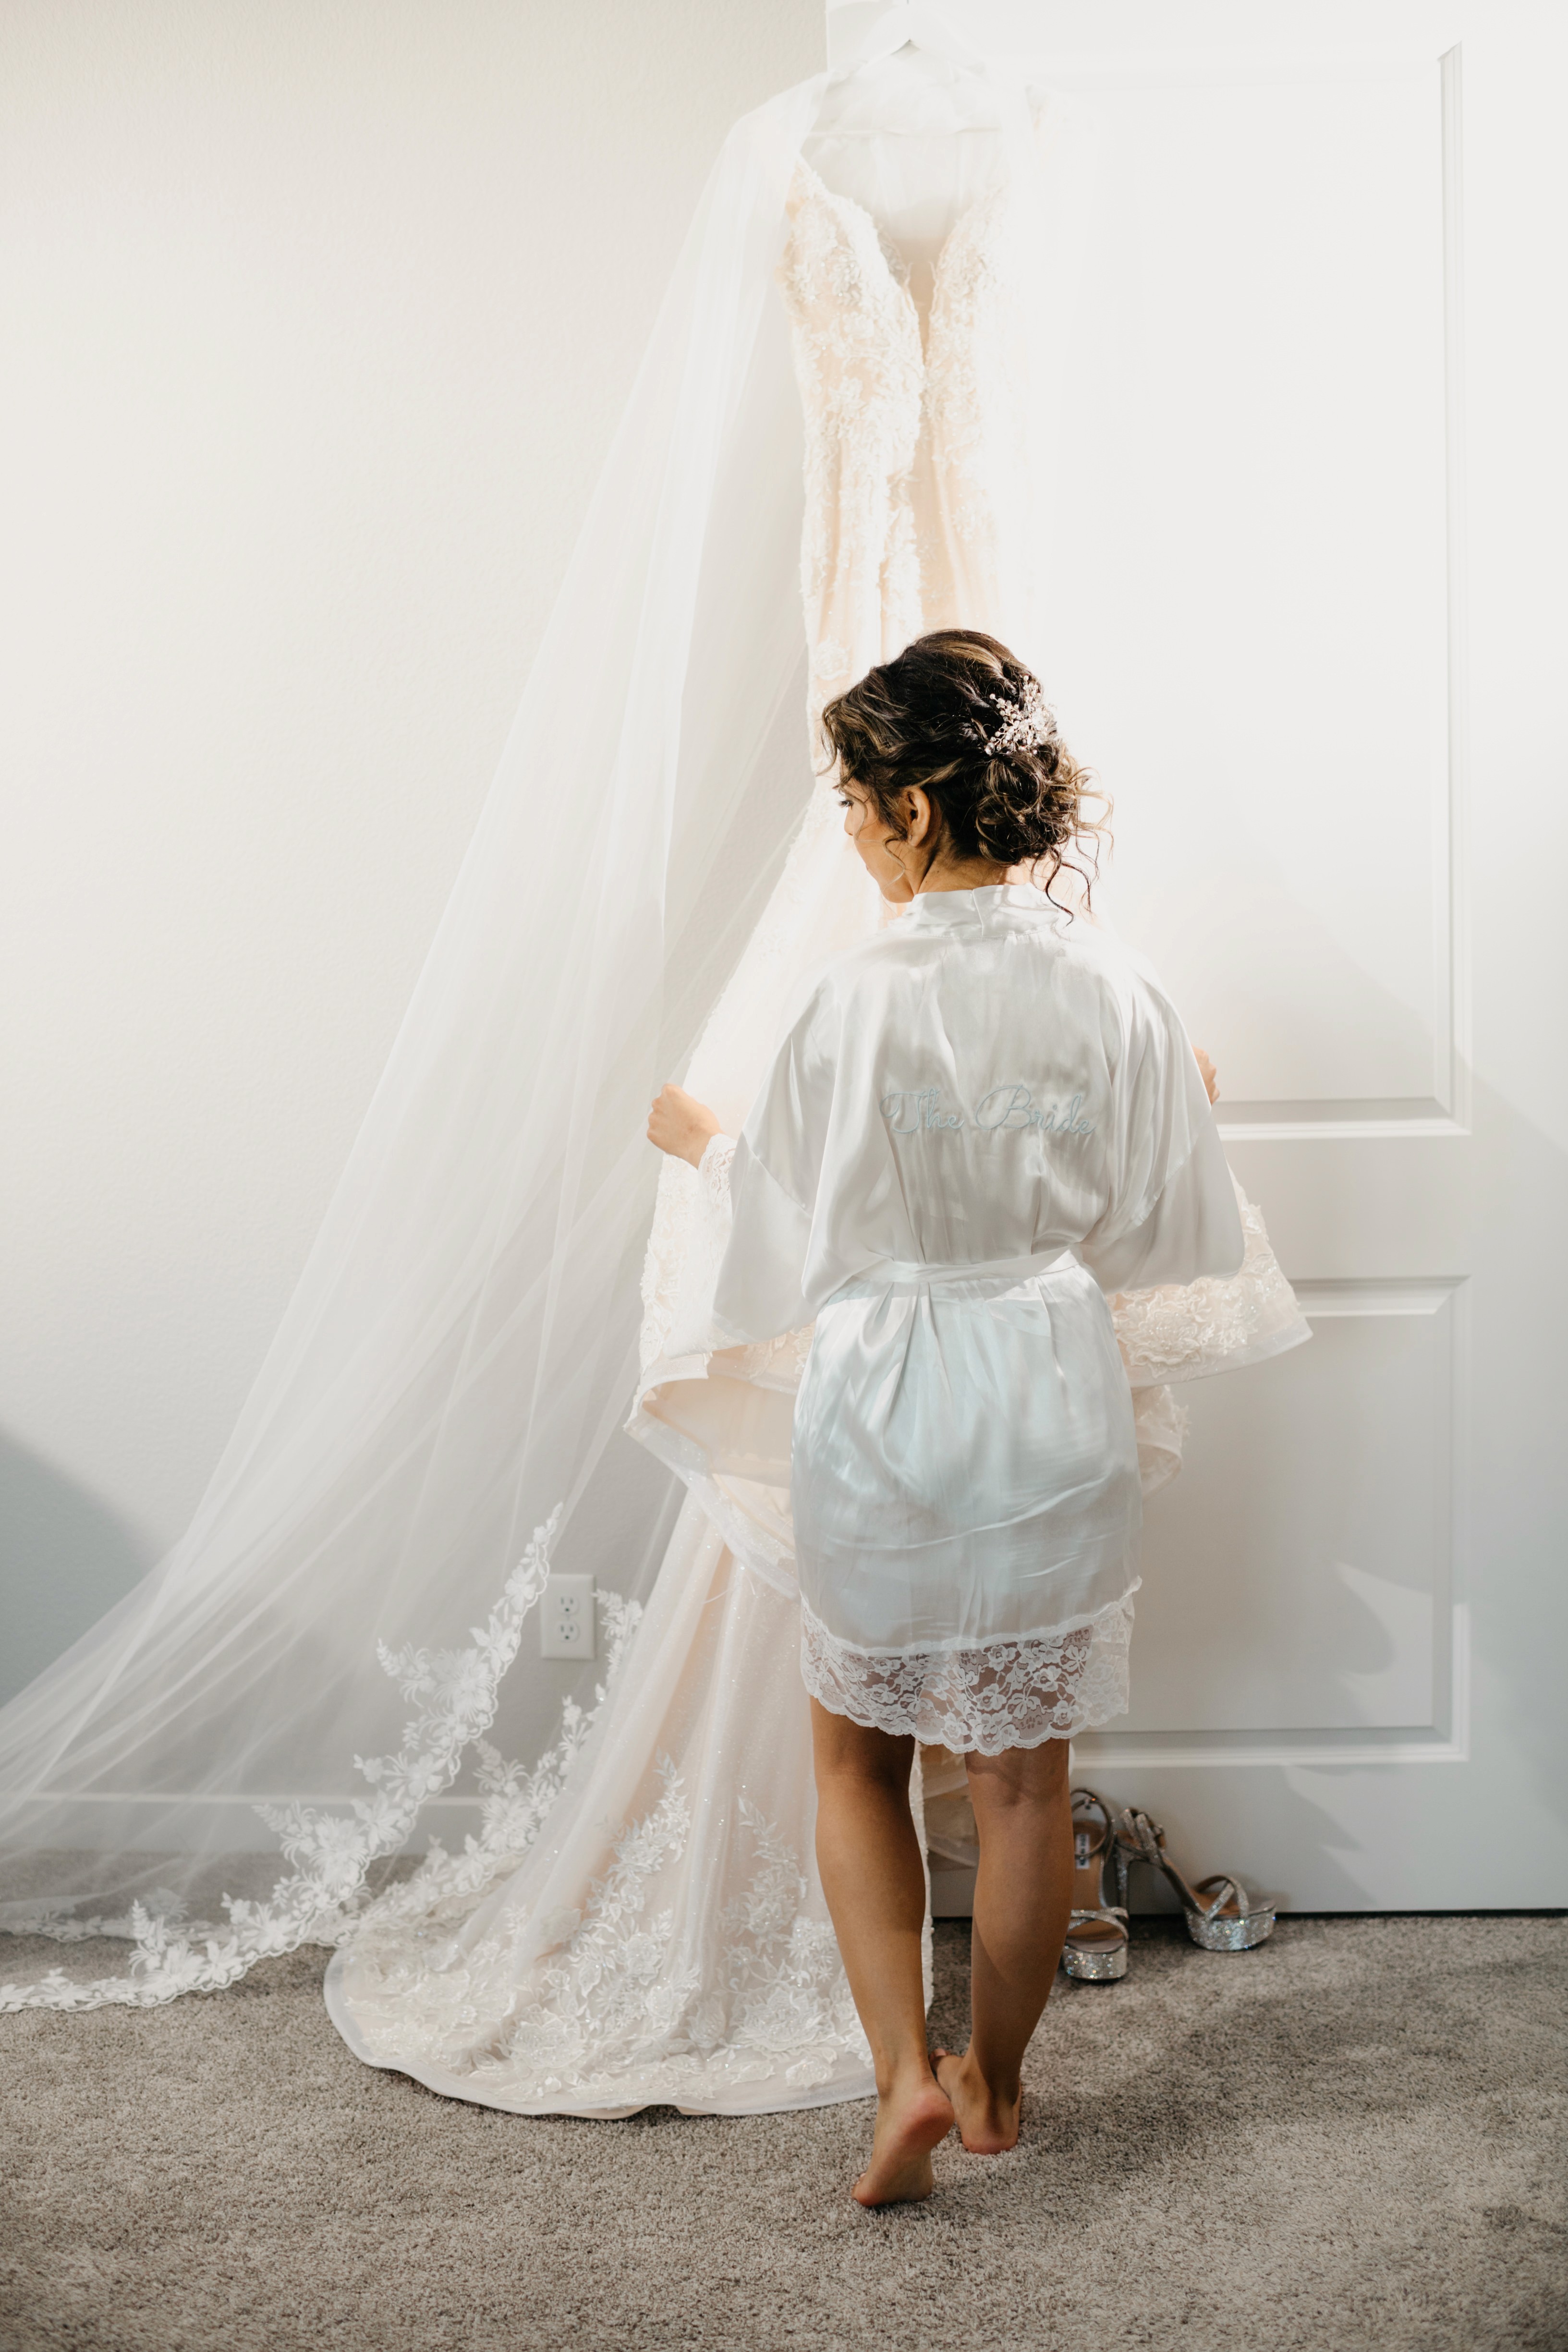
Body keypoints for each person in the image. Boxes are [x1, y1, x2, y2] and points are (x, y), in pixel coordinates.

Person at [646, 630, 1243, 2205]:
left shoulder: (852, 996)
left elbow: (782, 1244)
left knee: (857, 1758)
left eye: (854, 801)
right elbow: (1164, 1239)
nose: (852, 831)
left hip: (888, 1392)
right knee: (1024, 1781)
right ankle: (996, 2084)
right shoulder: (1117, 983)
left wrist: (703, 1145)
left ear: (911, 807)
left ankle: (900, 2073)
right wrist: (1187, 1101)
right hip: (1046, 1378)